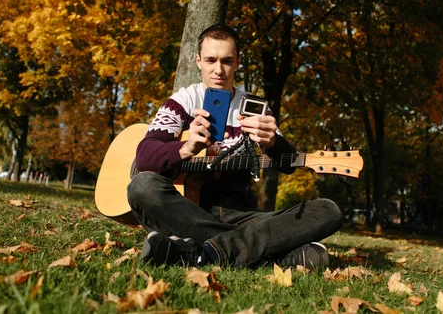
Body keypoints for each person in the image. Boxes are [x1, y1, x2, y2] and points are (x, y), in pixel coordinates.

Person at [127, 23, 343, 268]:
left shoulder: (254, 107)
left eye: (227, 61)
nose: (219, 70)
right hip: (184, 208)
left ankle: (200, 251)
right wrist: (186, 147)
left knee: (327, 210)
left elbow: (289, 165)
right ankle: (264, 252)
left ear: (238, 62)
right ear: (198, 61)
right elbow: (145, 156)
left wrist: (273, 142)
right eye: (211, 60)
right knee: (142, 186)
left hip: (240, 214)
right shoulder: (182, 101)